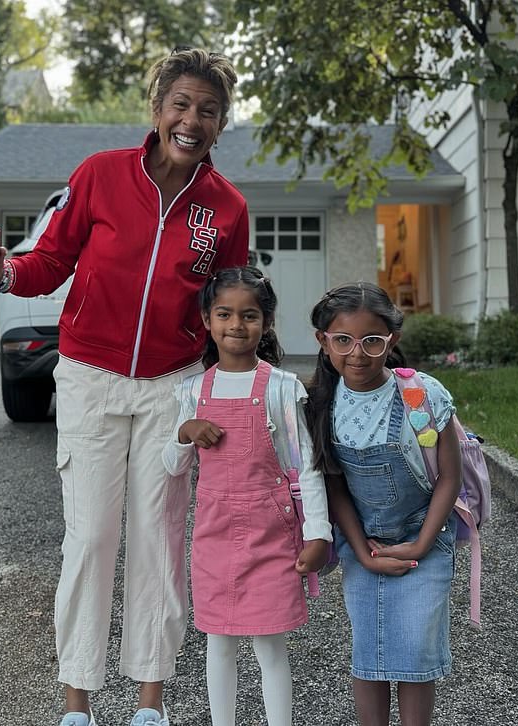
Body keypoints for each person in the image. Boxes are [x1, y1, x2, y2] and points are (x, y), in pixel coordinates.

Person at [0, 48, 249, 726]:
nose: (191, 120)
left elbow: (230, 304)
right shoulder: (101, 176)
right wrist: (0, 275)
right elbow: (48, 263)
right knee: (89, 538)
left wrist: (237, 384)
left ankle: (150, 702)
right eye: (181, 105)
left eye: (207, 110)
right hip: (88, 378)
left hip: (172, 385)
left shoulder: (226, 208)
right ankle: (77, 703)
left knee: (158, 538)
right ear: (157, 109)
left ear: (220, 124)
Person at [161, 266, 332, 726]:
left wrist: (318, 532)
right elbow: (173, 468)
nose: (237, 325)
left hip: (271, 531)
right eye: (225, 314)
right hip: (214, 532)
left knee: (270, 644)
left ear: (267, 322)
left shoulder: (281, 387)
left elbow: (307, 466)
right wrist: (183, 433)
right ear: (207, 320)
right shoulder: (191, 392)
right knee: (219, 641)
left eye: (250, 315)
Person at [305, 282, 462, 726]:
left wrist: (419, 545)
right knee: (369, 653)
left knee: (416, 652)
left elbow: (450, 477)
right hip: (365, 544)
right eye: (343, 340)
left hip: (424, 538)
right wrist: (360, 552)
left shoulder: (420, 394)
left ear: (390, 339)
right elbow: (335, 488)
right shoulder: (322, 403)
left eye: (371, 340)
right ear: (323, 340)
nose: (357, 353)